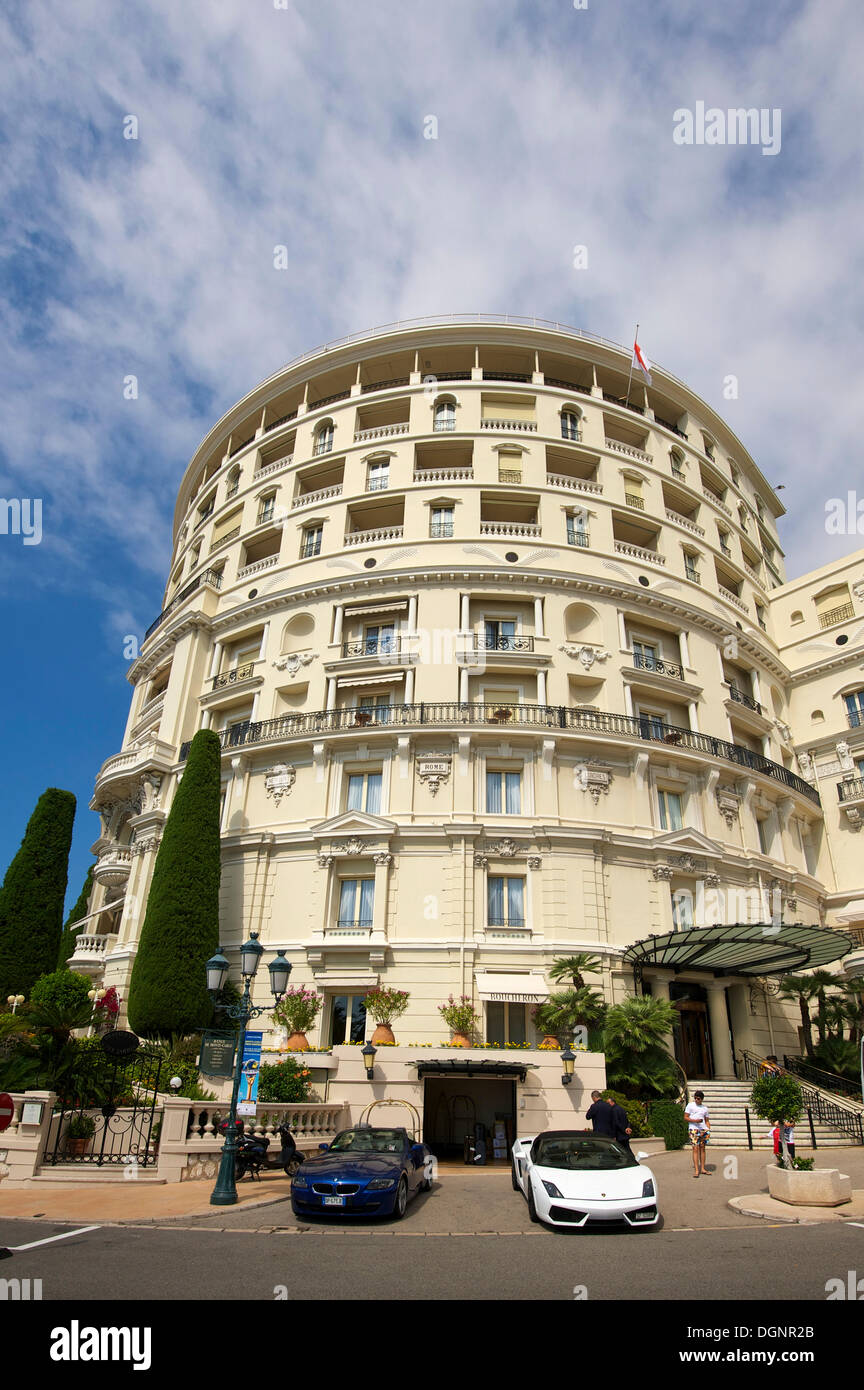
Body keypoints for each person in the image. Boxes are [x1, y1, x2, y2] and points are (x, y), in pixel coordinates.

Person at [684, 1090, 711, 1176]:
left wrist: (707, 1130)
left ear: (702, 1099)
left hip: (703, 1129)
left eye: (698, 1098)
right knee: (695, 1148)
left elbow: (707, 1121)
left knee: (702, 1148)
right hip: (693, 1129)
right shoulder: (690, 1105)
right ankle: (696, 1170)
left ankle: (703, 1168)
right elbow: (685, 1117)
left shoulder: (705, 1108)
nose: (696, 1100)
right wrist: (695, 1121)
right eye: (695, 1098)